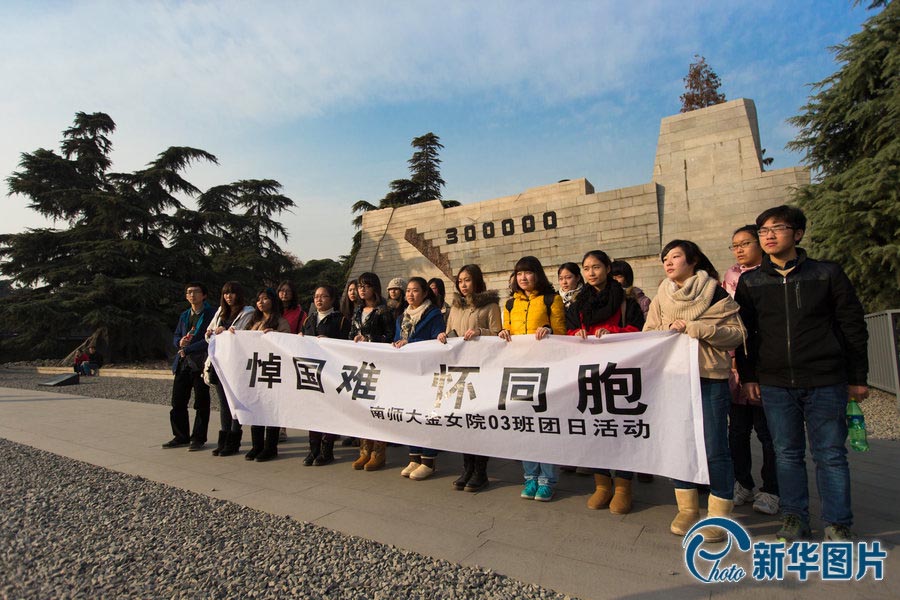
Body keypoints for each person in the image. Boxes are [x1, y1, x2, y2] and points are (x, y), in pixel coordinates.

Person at [735, 205, 868, 542]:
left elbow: (851, 326)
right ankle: (795, 518)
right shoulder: (751, 282)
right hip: (776, 383)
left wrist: (857, 377)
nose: (768, 235)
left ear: (797, 233)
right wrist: (750, 377)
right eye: (763, 230)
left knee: (830, 455)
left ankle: (838, 523)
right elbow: (744, 334)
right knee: (787, 453)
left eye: (776, 228)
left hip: (825, 378)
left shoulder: (826, 273)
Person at [643, 241, 745, 542]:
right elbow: (649, 332)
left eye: (675, 256)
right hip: (674, 380)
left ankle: (718, 515)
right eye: (665, 258)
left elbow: (737, 335)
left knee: (715, 448)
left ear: (693, 260)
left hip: (709, 377)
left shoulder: (714, 291)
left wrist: (696, 328)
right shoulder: (661, 295)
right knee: (680, 444)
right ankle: (687, 508)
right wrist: (665, 334)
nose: (668, 263)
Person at [567, 250, 645, 514]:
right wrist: (576, 333)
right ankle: (602, 484)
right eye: (586, 268)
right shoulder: (579, 302)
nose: (591, 273)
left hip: (619, 372)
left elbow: (638, 331)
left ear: (608, 268)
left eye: (596, 267)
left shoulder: (626, 299)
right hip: (589, 373)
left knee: (621, 429)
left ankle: (623, 487)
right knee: (596, 428)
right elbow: (567, 332)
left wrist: (613, 333)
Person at [499, 256, 566, 502]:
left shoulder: (551, 299)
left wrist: (549, 331)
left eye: (528, 273)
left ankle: (547, 480)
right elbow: (509, 333)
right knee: (525, 426)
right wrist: (503, 332)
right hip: (520, 372)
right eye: (519, 274)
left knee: (545, 427)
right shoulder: (509, 304)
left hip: (546, 371)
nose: (523, 278)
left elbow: (562, 334)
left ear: (537, 274)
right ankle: (530, 477)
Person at [722, 226, 780, 516]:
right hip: (734, 364)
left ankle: (771, 489)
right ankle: (742, 482)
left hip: (762, 364)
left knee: (767, 432)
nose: (740, 249)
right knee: (737, 432)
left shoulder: (769, 274)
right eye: (735, 245)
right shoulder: (731, 276)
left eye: (745, 243)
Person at [438, 264, 502, 491]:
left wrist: (480, 333)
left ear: (477, 281)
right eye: (460, 281)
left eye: (467, 280)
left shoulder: (491, 306)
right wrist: (443, 335)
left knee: (478, 421)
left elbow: (498, 334)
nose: (463, 285)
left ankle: (481, 471)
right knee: (463, 421)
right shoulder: (455, 307)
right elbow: (450, 332)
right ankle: (467, 468)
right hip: (459, 372)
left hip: (481, 370)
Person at [394, 277, 446, 480]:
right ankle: (414, 457)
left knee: (426, 415)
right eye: (408, 291)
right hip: (407, 373)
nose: (410, 294)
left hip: (427, 372)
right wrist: (397, 344)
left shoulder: (433, 314)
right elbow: (396, 338)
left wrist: (410, 342)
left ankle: (429, 460)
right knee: (410, 414)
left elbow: (435, 341)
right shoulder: (401, 317)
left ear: (425, 293)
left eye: (415, 290)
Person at [349, 272, 396, 471]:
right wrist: (355, 338)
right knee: (362, 407)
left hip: (378, 366)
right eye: (360, 286)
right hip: (360, 364)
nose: (362, 289)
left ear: (374, 288)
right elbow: (350, 333)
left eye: (366, 286)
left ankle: (379, 452)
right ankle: (364, 450)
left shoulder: (383, 311)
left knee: (376, 408)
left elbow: (389, 336)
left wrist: (370, 341)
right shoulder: (357, 310)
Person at [163, 282, 217, 451]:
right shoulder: (185, 315)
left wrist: (189, 348)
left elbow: (211, 338)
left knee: (201, 402)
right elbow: (177, 334)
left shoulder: (211, 313)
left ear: (204, 295)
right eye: (189, 292)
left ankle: (198, 438)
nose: (192, 295)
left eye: (195, 292)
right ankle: (181, 436)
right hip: (183, 363)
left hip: (200, 362)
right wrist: (179, 342)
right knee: (178, 401)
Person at [300, 285, 350, 466]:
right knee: (313, 411)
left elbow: (347, 345)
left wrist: (331, 343)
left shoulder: (341, 320)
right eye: (316, 296)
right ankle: (313, 449)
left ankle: (327, 450)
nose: (319, 299)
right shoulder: (309, 320)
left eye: (323, 296)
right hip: (312, 372)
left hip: (331, 372)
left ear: (332, 299)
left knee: (329, 410)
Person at [204, 281, 255, 457]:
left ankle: (233, 441)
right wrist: (211, 333)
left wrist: (225, 331)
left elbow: (242, 336)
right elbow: (208, 332)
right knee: (224, 404)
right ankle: (223, 440)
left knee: (235, 403)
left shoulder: (248, 312)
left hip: (235, 365)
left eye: (232, 293)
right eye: (226, 293)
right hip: (218, 363)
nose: (228, 296)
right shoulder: (220, 311)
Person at [245, 288, 291, 462]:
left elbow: (287, 344)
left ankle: (270, 447)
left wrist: (274, 337)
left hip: (272, 371)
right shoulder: (253, 321)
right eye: (258, 299)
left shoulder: (281, 322)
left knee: (271, 410)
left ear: (273, 301)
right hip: (255, 369)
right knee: (256, 407)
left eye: (265, 298)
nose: (261, 302)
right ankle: (256, 445)